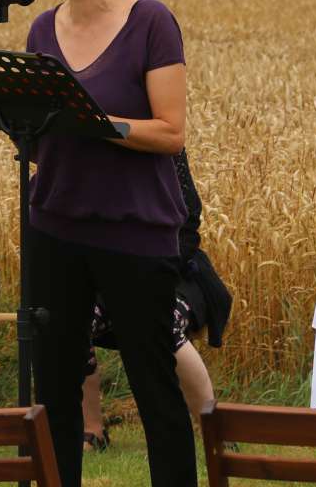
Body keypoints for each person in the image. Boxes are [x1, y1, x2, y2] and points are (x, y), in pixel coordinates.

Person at [25, 0, 196, 487]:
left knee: (153, 381)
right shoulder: (41, 27)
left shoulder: (150, 20)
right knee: (54, 381)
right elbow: (41, 130)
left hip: (135, 230)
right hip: (55, 227)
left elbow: (171, 132)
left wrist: (100, 125)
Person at [81, 148, 230, 452]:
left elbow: (188, 229)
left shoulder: (166, 148)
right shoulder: (89, 151)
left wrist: (142, 274)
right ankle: (93, 430)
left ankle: (212, 430)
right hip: (107, 273)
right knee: (76, 317)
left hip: (173, 271)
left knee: (165, 322)